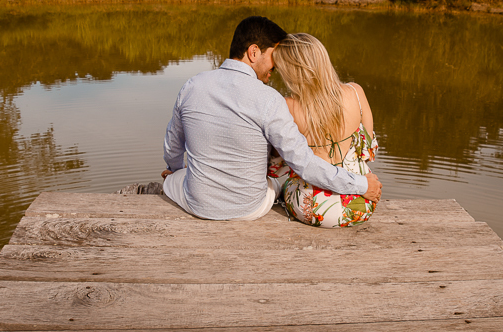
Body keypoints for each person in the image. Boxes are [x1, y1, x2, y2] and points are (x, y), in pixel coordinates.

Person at [162, 16, 382, 220]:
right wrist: (361, 185)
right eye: (273, 56)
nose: (276, 67)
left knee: (174, 177)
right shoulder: (270, 99)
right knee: (279, 179)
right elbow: (305, 163)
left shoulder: (192, 85)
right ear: (254, 52)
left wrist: (174, 169)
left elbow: (173, 145)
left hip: (197, 205)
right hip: (250, 208)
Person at [267, 33, 378, 227]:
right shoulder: (356, 92)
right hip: (361, 202)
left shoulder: (288, 106)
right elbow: (369, 151)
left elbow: (275, 167)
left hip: (312, 208)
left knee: (284, 184)